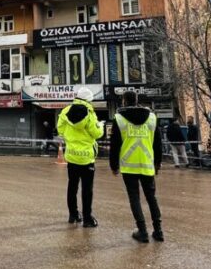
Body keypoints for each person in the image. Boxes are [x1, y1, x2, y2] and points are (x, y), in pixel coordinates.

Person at [111, 91, 163, 242]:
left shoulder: (119, 118)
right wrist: (157, 162)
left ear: (124, 101)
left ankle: (142, 231)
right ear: (137, 100)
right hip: (147, 164)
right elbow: (157, 143)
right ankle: (158, 231)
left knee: (134, 198)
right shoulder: (152, 117)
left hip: (129, 166)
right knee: (151, 197)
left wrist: (114, 165)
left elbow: (115, 144)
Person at [58, 86, 103, 228]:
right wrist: (100, 126)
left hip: (71, 156)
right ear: (88, 99)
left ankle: (73, 215)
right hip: (87, 157)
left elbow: (60, 129)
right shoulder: (90, 113)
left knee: (72, 186)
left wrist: (70, 137)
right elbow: (97, 133)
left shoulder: (65, 111)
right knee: (87, 189)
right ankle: (87, 218)